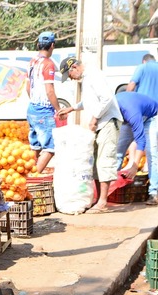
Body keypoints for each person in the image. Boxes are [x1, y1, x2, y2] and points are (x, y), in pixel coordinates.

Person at [57, 56, 123, 214]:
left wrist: (95, 118)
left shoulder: (93, 75)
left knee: (104, 160)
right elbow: (89, 101)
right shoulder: (86, 79)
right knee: (94, 162)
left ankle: (102, 203)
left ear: (74, 68)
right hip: (100, 123)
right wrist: (71, 109)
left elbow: (106, 99)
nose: (72, 79)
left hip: (108, 122)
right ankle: (99, 199)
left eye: (70, 75)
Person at [26, 31, 61, 174]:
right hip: (43, 110)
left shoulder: (32, 61)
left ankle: (28, 173)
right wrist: (58, 109)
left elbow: (28, 87)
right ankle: (33, 178)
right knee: (50, 147)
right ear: (52, 45)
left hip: (32, 108)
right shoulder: (48, 64)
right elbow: (50, 91)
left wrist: (34, 101)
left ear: (38, 44)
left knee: (35, 146)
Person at [115, 91, 158, 205]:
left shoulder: (131, 112)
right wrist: (72, 109)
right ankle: (112, 187)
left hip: (152, 116)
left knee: (151, 153)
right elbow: (86, 103)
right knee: (118, 151)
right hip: (131, 116)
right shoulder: (108, 103)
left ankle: (153, 192)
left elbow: (141, 140)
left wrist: (134, 165)